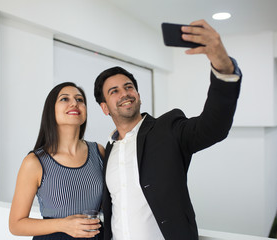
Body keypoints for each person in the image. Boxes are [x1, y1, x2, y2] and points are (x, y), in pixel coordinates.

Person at [93, 19, 242, 240]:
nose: (124, 93)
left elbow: (214, 127)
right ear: (105, 107)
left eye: (129, 87)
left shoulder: (168, 129)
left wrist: (223, 67)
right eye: (114, 91)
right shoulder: (107, 151)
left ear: (138, 95)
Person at [9, 82, 105, 240]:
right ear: (51, 110)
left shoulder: (98, 152)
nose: (74, 103)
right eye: (64, 99)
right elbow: (16, 225)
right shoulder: (34, 162)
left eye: (80, 100)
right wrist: (63, 225)